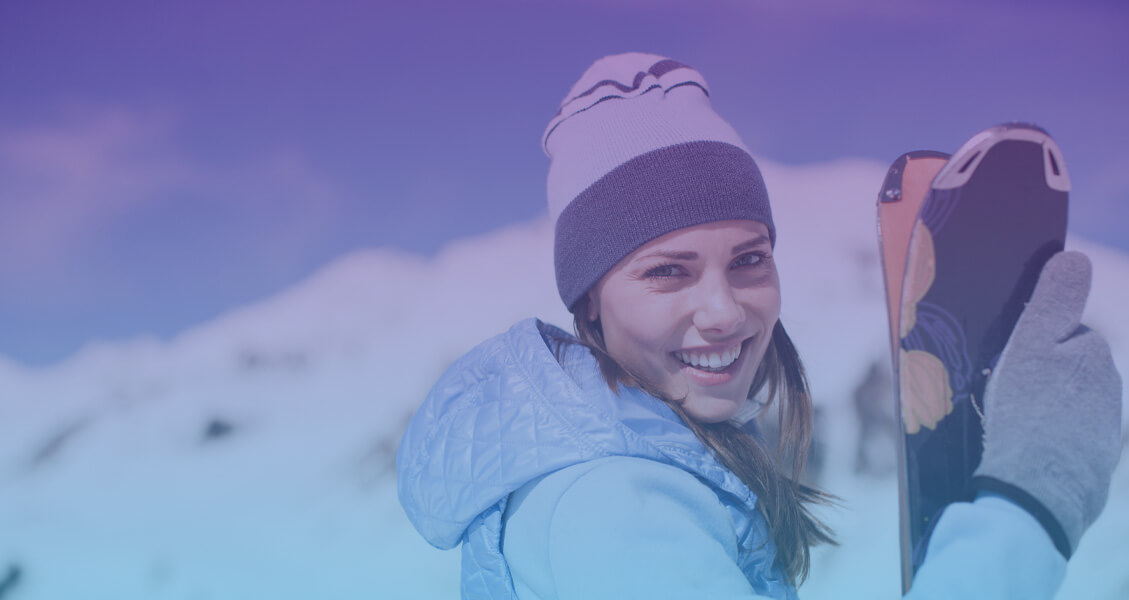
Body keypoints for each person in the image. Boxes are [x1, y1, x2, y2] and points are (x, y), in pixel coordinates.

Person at [396, 53, 1122, 599]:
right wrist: (1028, 511)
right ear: (589, 299)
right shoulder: (609, 507)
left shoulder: (634, 463)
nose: (722, 310)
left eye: (748, 260)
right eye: (666, 271)